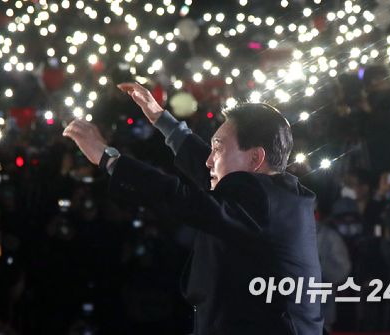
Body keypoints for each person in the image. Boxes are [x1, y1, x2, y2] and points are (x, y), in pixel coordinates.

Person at [64, 83, 325, 334]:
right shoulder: (277, 197)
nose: (210, 160)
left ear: (255, 158)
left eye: (217, 148)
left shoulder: (260, 201)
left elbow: (184, 200)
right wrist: (161, 118)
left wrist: (109, 159)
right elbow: (209, 173)